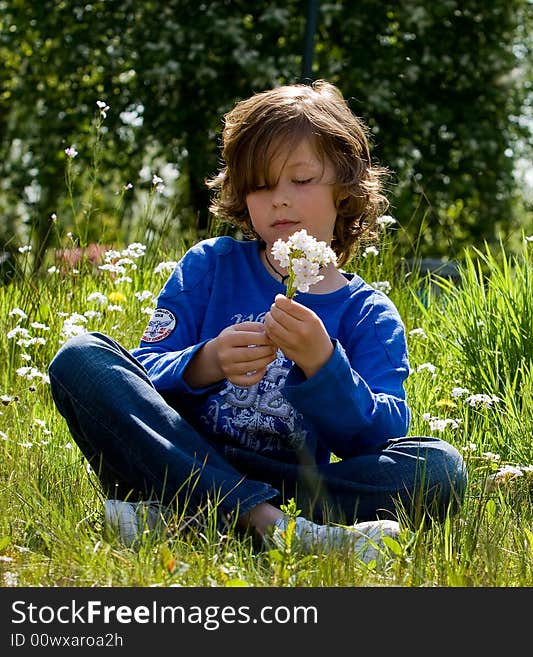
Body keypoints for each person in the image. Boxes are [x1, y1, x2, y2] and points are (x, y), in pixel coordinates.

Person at [48, 80, 468, 563]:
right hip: (183, 452)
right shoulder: (210, 264)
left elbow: (378, 438)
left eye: (302, 180)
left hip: (290, 480)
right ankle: (275, 527)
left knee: (440, 469)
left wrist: (324, 365)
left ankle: (187, 513)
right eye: (261, 186)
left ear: (346, 190)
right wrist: (205, 362)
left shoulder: (367, 312)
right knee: (81, 358)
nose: (280, 200)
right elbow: (144, 375)